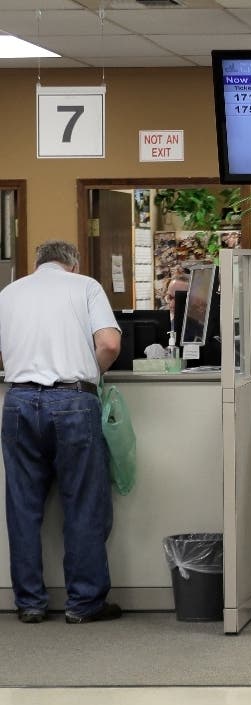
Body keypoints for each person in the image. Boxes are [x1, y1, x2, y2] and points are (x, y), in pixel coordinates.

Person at [0, 240, 123, 624]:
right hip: (72, 399)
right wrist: (91, 370)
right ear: (73, 263)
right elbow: (109, 342)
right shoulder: (85, 286)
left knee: (22, 506)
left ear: (38, 264)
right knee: (83, 503)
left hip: (18, 401)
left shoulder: (9, 292)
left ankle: (30, 603)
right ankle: (83, 604)